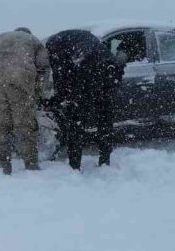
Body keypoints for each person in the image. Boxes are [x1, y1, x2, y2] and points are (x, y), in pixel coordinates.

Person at [45, 29, 125, 170]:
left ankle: (74, 166)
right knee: (105, 120)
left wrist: (58, 98)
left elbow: (61, 75)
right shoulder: (86, 36)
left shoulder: (54, 45)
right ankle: (105, 161)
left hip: (87, 75)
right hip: (108, 73)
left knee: (76, 123)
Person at [0, 27, 52, 175]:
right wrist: (38, 92)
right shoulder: (33, 41)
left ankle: (3, 166)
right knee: (25, 125)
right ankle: (31, 165)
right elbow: (43, 68)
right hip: (19, 81)